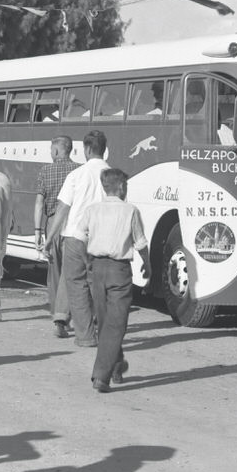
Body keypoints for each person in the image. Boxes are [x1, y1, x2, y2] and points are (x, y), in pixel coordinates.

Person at [80, 168, 151, 393]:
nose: (126, 190)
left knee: (104, 322)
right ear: (120, 187)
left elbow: (80, 239)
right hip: (119, 270)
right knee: (117, 323)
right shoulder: (130, 210)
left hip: (97, 269)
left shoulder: (92, 210)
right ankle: (102, 376)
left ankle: (117, 364)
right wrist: (147, 265)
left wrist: (88, 262)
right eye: (126, 186)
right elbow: (140, 243)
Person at [51, 131, 110, 350]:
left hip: (75, 236)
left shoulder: (77, 175)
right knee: (98, 284)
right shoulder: (113, 176)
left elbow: (63, 208)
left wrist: (49, 237)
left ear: (86, 150)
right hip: (102, 239)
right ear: (104, 149)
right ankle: (101, 328)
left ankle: (84, 335)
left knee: (74, 283)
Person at [34, 136, 78, 339]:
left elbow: (38, 204)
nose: (51, 154)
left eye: (52, 150)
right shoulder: (79, 171)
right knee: (73, 272)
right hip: (74, 223)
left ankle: (57, 315)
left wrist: (37, 231)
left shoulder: (45, 171)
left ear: (58, 151)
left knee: (55, 272)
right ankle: (71, 316)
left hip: (53, 222)